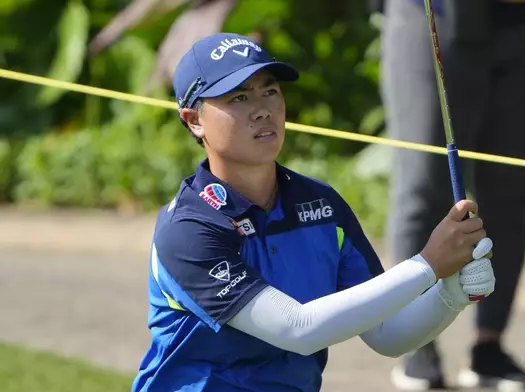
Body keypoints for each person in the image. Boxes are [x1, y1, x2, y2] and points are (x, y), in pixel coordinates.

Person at [131, 32, 496, 392]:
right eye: (239, 97)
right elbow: (298, 329)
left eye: (270, 91)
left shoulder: (321, 204)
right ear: (194, 120)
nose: (262, 109)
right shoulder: (188, 228)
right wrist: (429, 264)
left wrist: (451, 292)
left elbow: (388, 334)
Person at [379, 0, 525, 390]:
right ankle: (417, 344)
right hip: (434, 14)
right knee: (423, 187)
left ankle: (489, 348)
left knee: (512, 190)